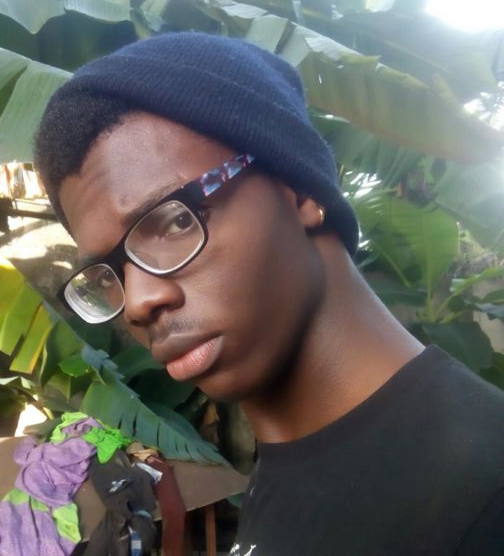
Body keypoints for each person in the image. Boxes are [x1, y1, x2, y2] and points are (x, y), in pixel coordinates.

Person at [34, 32, 504, 554]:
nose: (139, 301)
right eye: (109, 274)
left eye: (174, 222)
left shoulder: (482, 497)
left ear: (298, 190)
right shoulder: (288, 464)